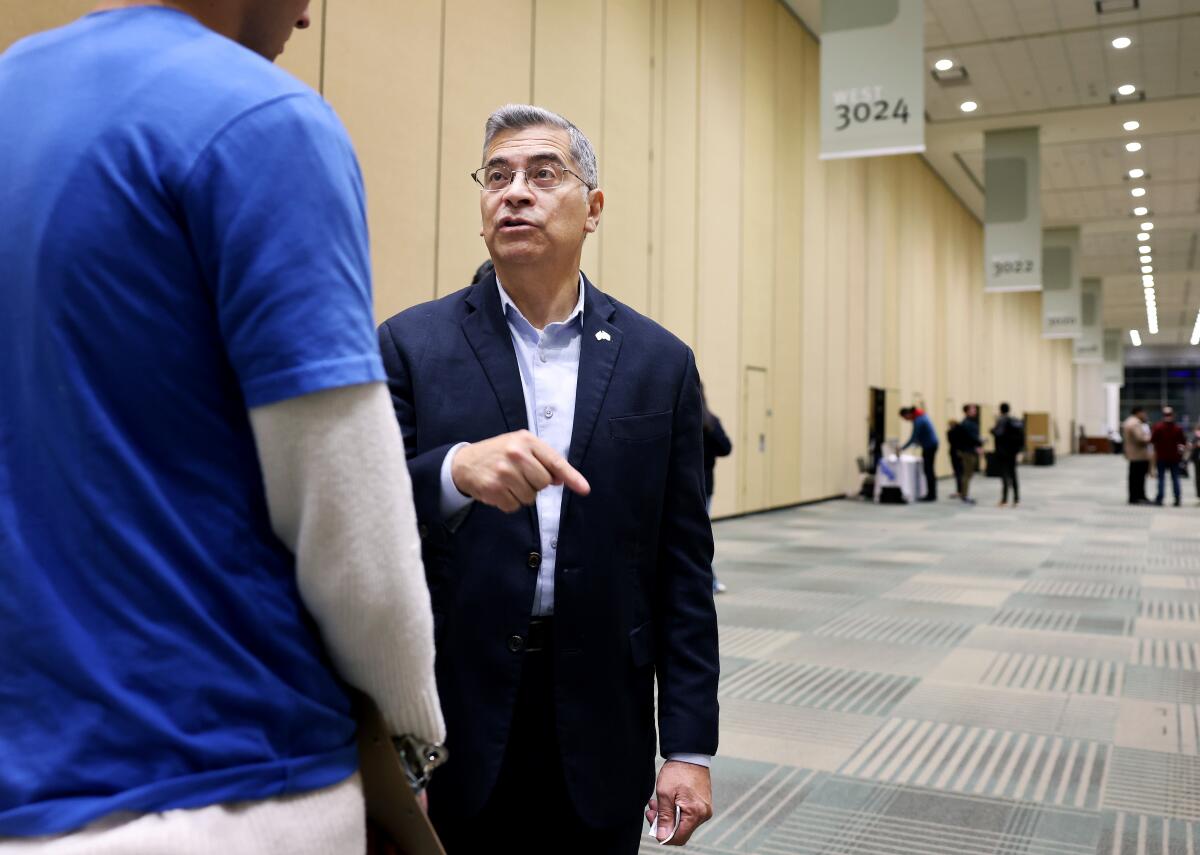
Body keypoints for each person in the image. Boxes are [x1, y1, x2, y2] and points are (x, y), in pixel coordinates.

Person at [0, 2, 445, 852]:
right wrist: (412, 732)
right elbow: (353, 528)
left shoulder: (12, 89)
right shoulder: (265, 121)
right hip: (224, 780)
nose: (310, 15)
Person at [377, 104, 718, 853]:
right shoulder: (411, 344)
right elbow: (361, 516)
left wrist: (688, 747)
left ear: (593, 208)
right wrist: (452, 472)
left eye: (543, 173)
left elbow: (683, 566)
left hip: (600, 717)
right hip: (452, 715)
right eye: (496, 176)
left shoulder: (660, 363)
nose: (515, 192)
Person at [701, 386, 732, 593]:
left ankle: (709, 580)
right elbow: (725, 448)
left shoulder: (683, 420)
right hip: (705, 486)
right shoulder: (709, 421)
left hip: (688, 486)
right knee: (700, 534)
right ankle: (709, 581)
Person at [900, 406, 939, 501]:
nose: (906, 420)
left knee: (928, 470)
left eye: (905, 418)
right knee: (929, 469)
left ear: (908, 414)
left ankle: (931, 495)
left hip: (929, 446)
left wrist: (902, 448)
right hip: (930, 445)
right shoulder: (921, 416)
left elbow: (913, 437)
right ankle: (931, 493)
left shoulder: (919, 420)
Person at [991, 403, 1025, 507]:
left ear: (1000, 410)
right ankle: (1016, 499)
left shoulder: (1002, 420)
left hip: (1003, 452)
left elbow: (998, 433)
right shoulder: (1015, 421)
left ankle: (1004, 500)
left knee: (1005, 476)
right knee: (1014, 475)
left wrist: (992, 430)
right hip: (1013, 452)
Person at [1151, 406, 1186, 507]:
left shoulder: (1158, 427)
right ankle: (1177, 498)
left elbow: (1152, 440)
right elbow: (1183, 442)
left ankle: (1160, 498)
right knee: (1175, 478)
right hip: (1174, 457)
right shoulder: (1177, 428)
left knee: (1161, 478)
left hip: (1161, 456)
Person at [956, 404, 985, 504]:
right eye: (972, 409)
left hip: (971, 450)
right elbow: (971, 438)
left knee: (969, 474)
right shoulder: (967, 423)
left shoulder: (971, 422)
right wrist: (980, 442)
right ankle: (965, 495)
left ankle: (964, 494)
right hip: (968, 452)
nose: (975, 411)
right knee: (967, 474)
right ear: (967, 411)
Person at [1123, 406, 1152, 504]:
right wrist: (1150, 438)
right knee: (1138, 478)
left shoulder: (1129, 421)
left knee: (1134, 477)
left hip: (1133, 454)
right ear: (1138, 413)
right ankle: (1138, 497)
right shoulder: (1135, 423)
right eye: (1143, 413)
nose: (1145, 415)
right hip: (1139, 454)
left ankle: (1134, 496)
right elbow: (1140, 438)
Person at [946, 419, 964, 498]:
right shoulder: (961, 432)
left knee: (958, 472)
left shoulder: (950, 432)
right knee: (961, 472)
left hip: (954, 453)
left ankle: (959, 490)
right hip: (961, 453)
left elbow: (951, 442)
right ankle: (961, 490)